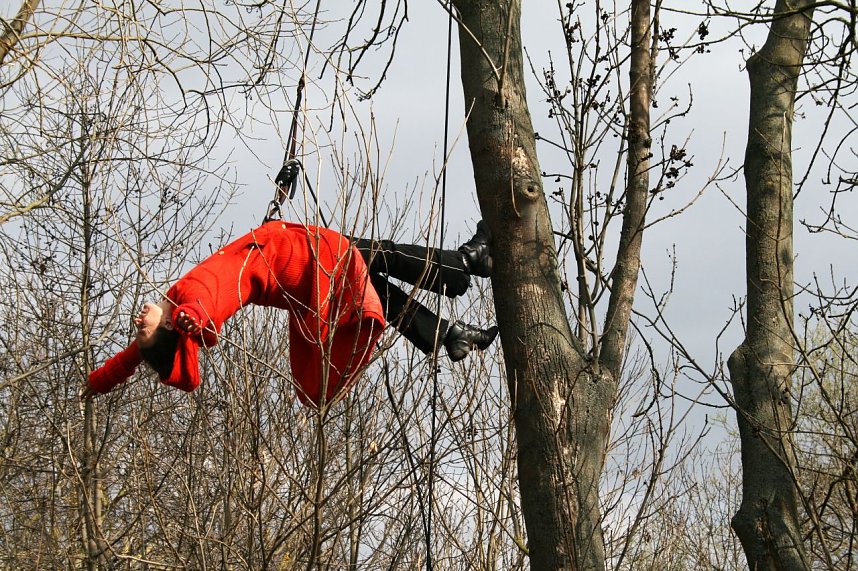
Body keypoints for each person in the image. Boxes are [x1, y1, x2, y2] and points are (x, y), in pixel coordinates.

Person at [83, 220, 498, 406]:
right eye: (145, 327)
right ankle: (466, 262)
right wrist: (195, 319)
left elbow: (128, 361)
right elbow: (205, 309)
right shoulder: (191, 299)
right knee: (379, 255)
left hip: (297, 281)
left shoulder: (169, 320)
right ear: (171, 327)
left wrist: (96, 383)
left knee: (376, 287)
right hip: (301, 258)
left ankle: (447, 335)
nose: (138, 321)